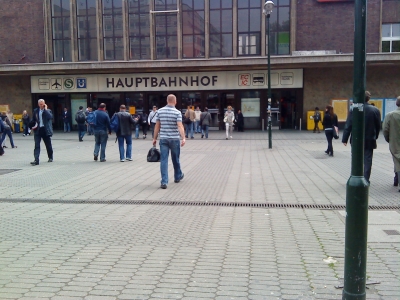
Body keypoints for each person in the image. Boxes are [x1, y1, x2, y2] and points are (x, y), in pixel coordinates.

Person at [342, 91, 381, 183]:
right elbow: (378, 125)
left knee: (355, 158)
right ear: (369, 98)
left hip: (356, 140)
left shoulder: (354, 109)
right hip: (369, 139)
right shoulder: (374, 110)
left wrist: (345, 139)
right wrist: (375, 136)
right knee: (368, 159)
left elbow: (349, 124)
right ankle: (366, 179)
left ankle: (355, 176)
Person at [152, 94, 185, 189]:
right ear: (175, 101)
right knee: (176, 159)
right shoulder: (177, 112)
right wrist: (183, 138)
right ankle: (177, 176)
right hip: (174, 139)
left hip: (163, 139)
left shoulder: (159, 111)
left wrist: (154, 138)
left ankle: (164, 181)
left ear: (167, 101)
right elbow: (179, 126)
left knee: (163, 160)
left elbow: (157, 126)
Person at [383, 96, 400, 192]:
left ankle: (397, 179)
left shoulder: (391, 115)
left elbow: (385, 129)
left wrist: (389, 139)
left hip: (395, 142)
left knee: (397, 162)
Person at [30, 99, 53, 165]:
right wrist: (31, 126)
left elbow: (50, 117)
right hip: (38, 130)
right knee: (37, 145)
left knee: (48, 145)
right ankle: (36, 160)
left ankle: (50, 157)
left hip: (45, 130)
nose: (41, 105)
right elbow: (33, 119)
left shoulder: (48, 111)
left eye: (42, 104)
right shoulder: (36, 111)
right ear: (38, 104)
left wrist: (45, 109)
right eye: (40, 104)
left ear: (44, 104)